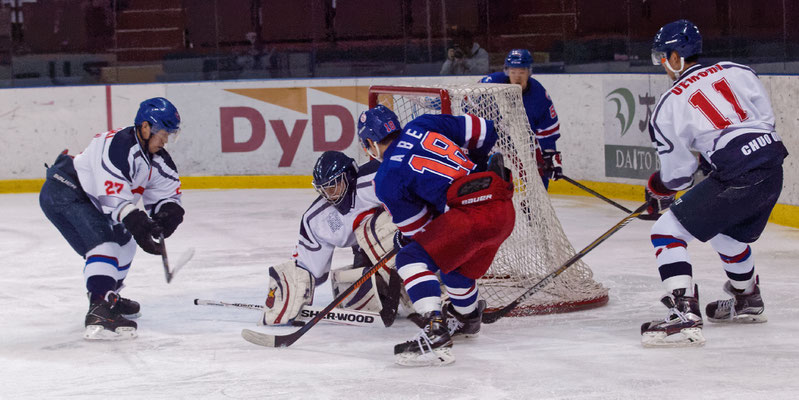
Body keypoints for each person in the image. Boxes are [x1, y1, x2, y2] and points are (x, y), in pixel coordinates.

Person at [639, 20, 788, 347]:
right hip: (771, 166)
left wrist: (658, 188)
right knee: (727, 234)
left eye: (663, 57)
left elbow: (679, 174)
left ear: (676, 56)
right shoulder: (738, 70)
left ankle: (683, 314)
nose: (663, 65)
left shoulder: (668, 104)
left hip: (737, 172)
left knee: (666, 232)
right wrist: (716, 155)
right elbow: (761, 122)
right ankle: (747, 298)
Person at [357, 105, 516, 366]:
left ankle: (435, 330)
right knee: (454, 266)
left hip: (470, 217)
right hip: (503, 208)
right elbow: (485, 131)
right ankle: (468, 318)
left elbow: (420, 230)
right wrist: (474, 168)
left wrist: (405, 240)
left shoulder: (386, 178)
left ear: (370, 142)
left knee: (410, 258)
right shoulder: (424, 124)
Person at [39, 97, 185, 340]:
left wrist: (165, 217)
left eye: (170, 135)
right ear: (146, 127)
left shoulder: (158, 160)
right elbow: (112, 198)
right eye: (162, 133)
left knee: (125, 242)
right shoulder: (117, 145)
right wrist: (139, 223)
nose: (165, 140)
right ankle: (99, 307)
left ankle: (110, 295)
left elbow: (167, 195)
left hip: (91, 201)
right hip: (65, 191)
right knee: (104, 243)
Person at [259, 151, 404, 326]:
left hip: (408, 236)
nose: (329, 194)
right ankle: (409, 290)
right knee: (357, 299)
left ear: (349, 176)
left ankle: (431, 289)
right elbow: (307, 268)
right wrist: (291, 289)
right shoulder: (315, 219)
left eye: (333, 186)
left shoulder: (376, 178)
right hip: (365, 252)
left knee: (377, 232)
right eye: (324, 189)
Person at [481, 49, 563, 189]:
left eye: (521, 72)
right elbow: (469, 105)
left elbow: (548, 129)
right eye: (513, 72)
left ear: (529, 72)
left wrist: (549, 157)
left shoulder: (539, 95)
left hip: (523, 140)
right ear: (507, 71)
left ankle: (533, 209)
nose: (517, 77)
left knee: (539, 175)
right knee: (483, 170)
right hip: (492, 139)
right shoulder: (491, 84)